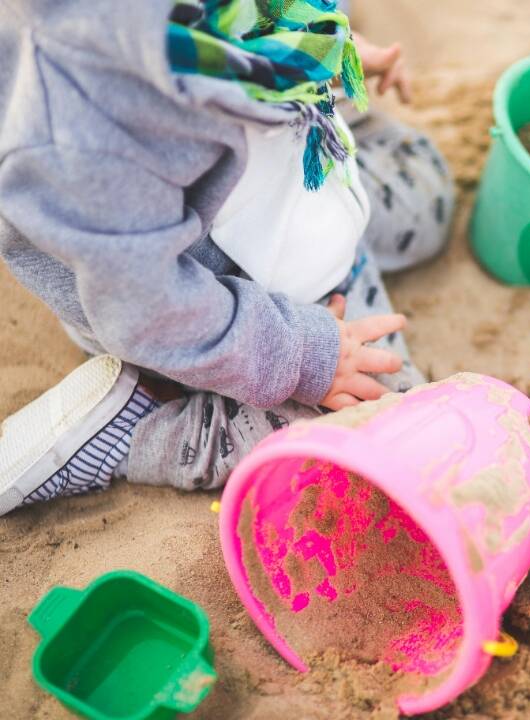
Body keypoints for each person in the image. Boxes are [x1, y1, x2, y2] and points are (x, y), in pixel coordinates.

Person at [0, 0, 454, 515]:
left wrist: (325, 52)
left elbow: (261, 19)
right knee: (385, 418)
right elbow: (150, 311)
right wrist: (304, 357)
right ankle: (138, 428)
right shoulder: (79, 126)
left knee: (430, 197)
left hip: (291, 186)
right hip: (224, 308)